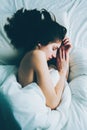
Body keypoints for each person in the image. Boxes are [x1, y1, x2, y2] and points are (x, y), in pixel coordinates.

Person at [4, 8, 72, 110]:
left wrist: (64, 53)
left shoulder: (37, 59)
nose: (54, 54)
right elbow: (53, 103)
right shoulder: (36, 55)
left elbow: (64, 82)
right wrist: (62, 71)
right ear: (40, 43)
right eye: (54, 49)